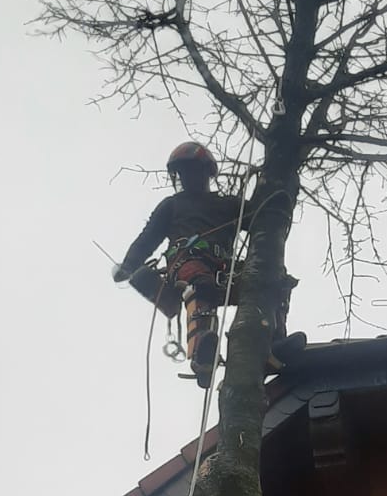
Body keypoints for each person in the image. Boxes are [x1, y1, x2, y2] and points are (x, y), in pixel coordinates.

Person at [112, 140, 304, 388]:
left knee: (274, 280)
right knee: (200, 282)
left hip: (224, 270)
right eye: (182, 172)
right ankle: (202, 350)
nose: (187, 177)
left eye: (192, 170)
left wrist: (278, 196)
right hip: (188, 265)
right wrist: (129, 265)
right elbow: (147, 238)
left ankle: (272, 344)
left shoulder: (228, 205)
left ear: (206, 172)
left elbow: (260, 218)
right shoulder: (172, 205)